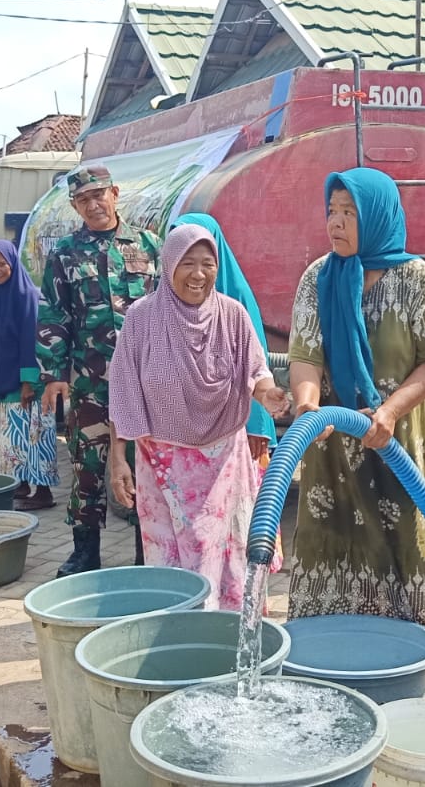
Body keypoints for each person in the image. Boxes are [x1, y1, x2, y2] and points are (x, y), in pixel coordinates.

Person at [286, 167, 425, 637]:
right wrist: (307, 406)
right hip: (333, 445)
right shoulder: (317, 277)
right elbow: (305, 353)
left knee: (408, 538)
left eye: (349, 212)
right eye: (331, 211)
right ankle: (328, 648)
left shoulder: (416, 279)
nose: (336, 223)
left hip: (396, 444)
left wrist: (389, 412)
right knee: (332, 537)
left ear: (376, 215)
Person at [106, 224, 290, 609]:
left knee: (232, 557)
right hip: (161, 466)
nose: (199, 274)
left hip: (226, 462)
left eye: (208, 264)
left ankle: (235, 640)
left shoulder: (233, 315)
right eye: (187, 263)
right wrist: (117, 458)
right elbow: (123, 393)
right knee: (173, 563)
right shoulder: (141, 319)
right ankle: (183, 641)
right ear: (169, 264)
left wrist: (267, 394)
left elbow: (255, 370)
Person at [37, 164, 162, 576]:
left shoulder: (149, 246)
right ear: (75, 205)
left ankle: (150, 551)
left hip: (146, 384)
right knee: (87, 466)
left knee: (147, 465)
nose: (93, 205)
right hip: (91, 384)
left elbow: (169, 310)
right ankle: (84, 551)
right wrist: (54, 374)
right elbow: (54, 316)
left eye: (98, 195)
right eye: (83, 199)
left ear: (115, 193)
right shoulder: (65, 254)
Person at [169, 213, 278, 461]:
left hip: (232, 426)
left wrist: (257, 426)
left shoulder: (235, 301)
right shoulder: (164, 300)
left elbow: (256, 365)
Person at [0, 240, 59, 510]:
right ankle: (22, 483)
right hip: (10, 381)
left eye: (1, 264)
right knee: (15, 437)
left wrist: (28, 381)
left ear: (13, 263)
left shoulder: (26, 295)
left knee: (37, 434)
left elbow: (30, 341)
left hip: (30, 383)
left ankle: (43, 492)